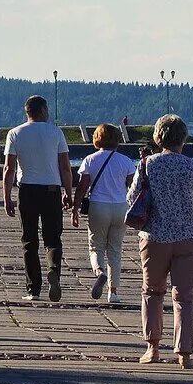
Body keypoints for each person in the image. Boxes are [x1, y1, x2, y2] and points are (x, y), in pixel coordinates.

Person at [134, 113, 193, 368]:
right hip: (190, 238)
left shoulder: (147, 164)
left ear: (158, 137)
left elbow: (131, 198)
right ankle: (185, 353)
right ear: (183, 139)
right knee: (186, 298)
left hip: (155, 237)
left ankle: (153, 348)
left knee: (152, 292)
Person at [3, 94, 77, 302]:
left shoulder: (15, 133)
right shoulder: (56, 132)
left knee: (29, 240)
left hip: (27, 190)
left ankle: (33, 289)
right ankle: (53, 269)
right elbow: (65, 167)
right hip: (51, 190)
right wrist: (68, 193)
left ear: (27, 112)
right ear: (43, 111)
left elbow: (9, 168)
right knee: (53, 238)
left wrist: (7, 197)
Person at [74, 122, 134, 304]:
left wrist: (75, 208)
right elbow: (134, 187)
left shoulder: (90, 160)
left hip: (98, 206)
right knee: (115, 250)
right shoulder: (126, 161)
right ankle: (113, 293)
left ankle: (100, 273)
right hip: (121, 207)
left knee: (96, 246)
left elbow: (83, 187)